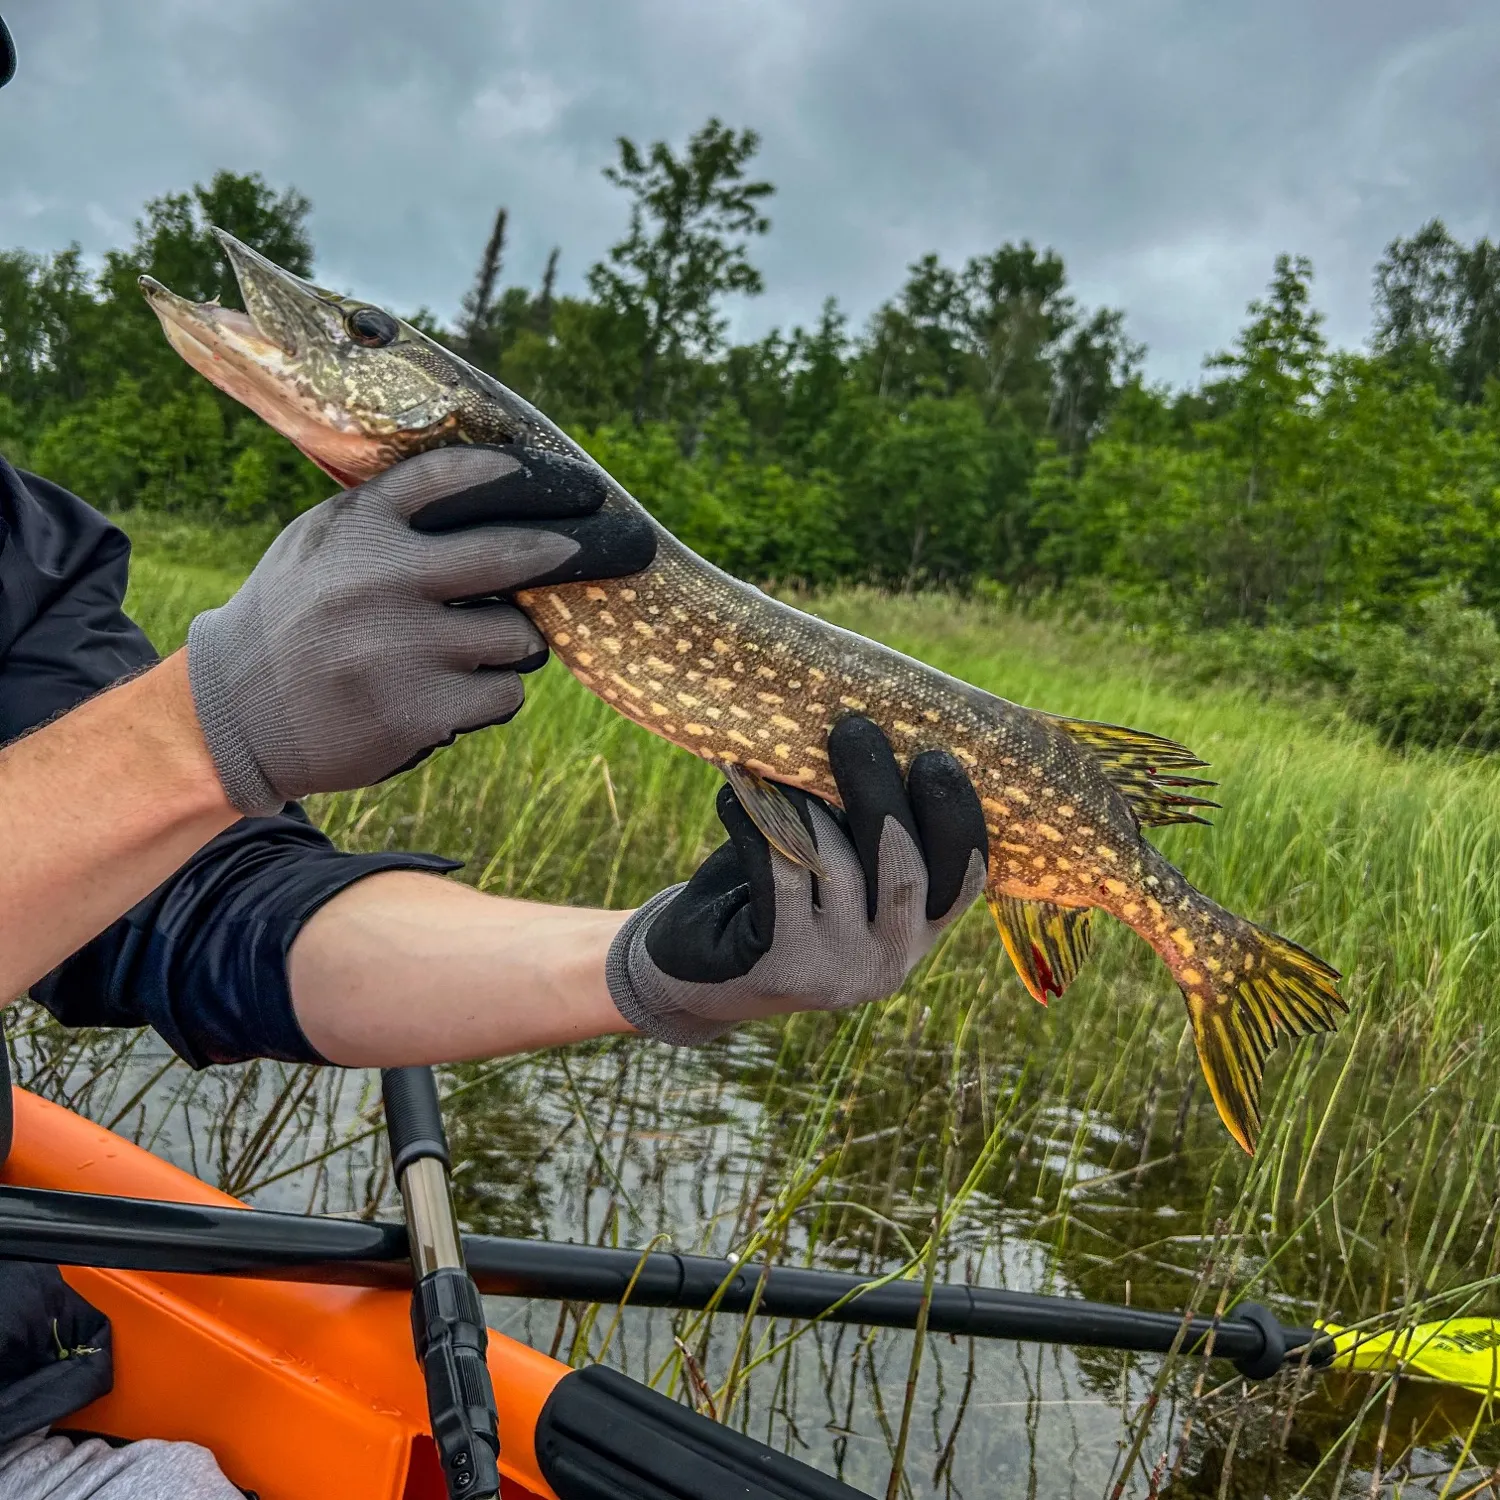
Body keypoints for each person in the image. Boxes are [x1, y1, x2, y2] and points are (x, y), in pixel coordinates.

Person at [0, 15, 989, 1497]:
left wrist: (646, 968)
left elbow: (206, 914)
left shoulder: (24, 554)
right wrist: (202, 727)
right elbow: (159, 780)